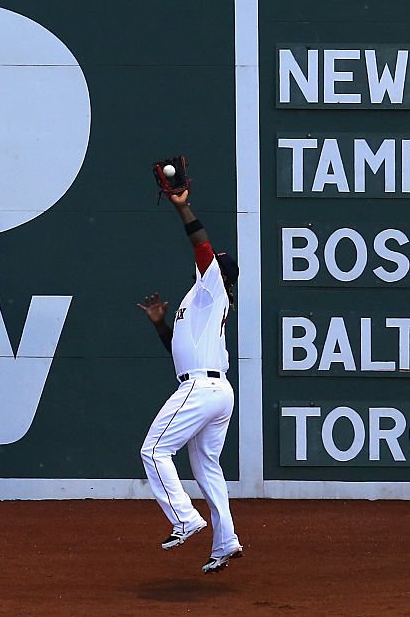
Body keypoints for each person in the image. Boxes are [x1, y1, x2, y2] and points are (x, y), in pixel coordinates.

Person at [136, 184, 243, 574]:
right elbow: (180, 354)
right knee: (207, 469)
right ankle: (226, 541)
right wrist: (161, 325)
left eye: (215, 262)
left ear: (219, 272)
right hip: (212, 389)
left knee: (153, 451)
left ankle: (185, 518)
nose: (209, 262)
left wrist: (184, 207)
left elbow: (201, 246)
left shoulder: (212, 290)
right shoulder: (199, 301)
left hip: (201, 388)